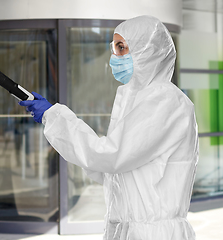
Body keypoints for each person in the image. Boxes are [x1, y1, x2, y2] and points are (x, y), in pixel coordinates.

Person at [19, 15, 199, 240]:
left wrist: (53, 116)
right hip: (130, 229)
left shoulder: (165, 101)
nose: (115, 57)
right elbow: (111, 171)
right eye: (114, 48)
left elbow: (112, 156)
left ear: (148, 50)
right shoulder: (136, 98)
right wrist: (53, 119)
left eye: (122, 48)